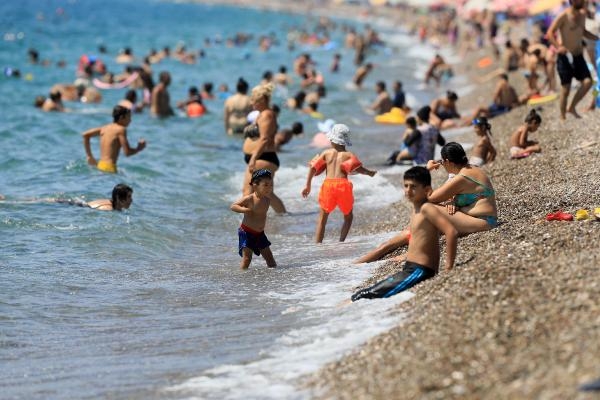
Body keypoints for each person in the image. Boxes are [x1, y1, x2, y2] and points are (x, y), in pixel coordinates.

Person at [351, 166, 457, 300]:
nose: (408, 190)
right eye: (406, 186)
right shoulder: (417, 208)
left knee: (363, 296)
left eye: (413, 187)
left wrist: (449, 267)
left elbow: (451, 231)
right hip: (410, 269)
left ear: (427, 190)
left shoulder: (427, 208)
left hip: (419, 271)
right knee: (361, 294)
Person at [301, 124, 377, 243]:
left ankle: (317, 245)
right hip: (343, 186)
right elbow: (359, 169)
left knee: (322, 218)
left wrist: (308, 185)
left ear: (333, 140)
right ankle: (341, 242)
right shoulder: (348, 155)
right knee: (348, 217)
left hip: (328, 185)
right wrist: (369, 173)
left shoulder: (326, 153)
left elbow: (313, 168)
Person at [426, 142, 498, 234]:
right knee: (428, 226)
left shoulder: (462, 178)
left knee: (427, 207)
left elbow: (429, 198)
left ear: (448, 162)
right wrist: (450, 199)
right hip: (485, 219)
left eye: (442, 161)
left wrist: (427, 170)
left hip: (483, 221)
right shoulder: (472, 168)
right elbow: (451, 190)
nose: (442, 164)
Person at [546, 0, 598, 120]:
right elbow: (549, 33)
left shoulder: (582, 15)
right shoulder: (564, 16)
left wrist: (596, 38)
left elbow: (583, 31)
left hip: (578, 55)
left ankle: (572, 107)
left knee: (587, 82)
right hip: (565, 56)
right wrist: (559, 47)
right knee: (566, 88)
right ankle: (562, 116)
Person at [243, 83, 286, 213]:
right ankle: (284, 216)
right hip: (263, 157)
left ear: (262, 100)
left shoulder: (267, 115)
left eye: (253, 100)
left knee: (248, 191)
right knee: (267, 193)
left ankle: (248, 224)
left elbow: (265, 139)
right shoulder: (263, 114)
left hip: (262, 158)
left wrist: (253, 158)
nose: (251, 103)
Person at [230, 169, 277, 269]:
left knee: (270, 259)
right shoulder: (250, 199)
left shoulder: (267, 200)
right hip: (247, 232)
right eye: (265, 185)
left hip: (260, 234)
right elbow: (233, 206)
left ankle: (274, 279)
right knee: (247, 259)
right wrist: (245, 210)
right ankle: (242, 279)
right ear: (255, 185)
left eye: (270, 185)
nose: (269, 187)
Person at [82, 105, 146, 173]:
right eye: (129, 117)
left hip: (100, 165)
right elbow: (127, 152)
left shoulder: (104, 128)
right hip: (110, 168)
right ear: (121, 118)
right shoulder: (121, 129)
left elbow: (85, 135)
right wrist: (139, 148)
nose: (130, 120)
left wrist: (89, 156)